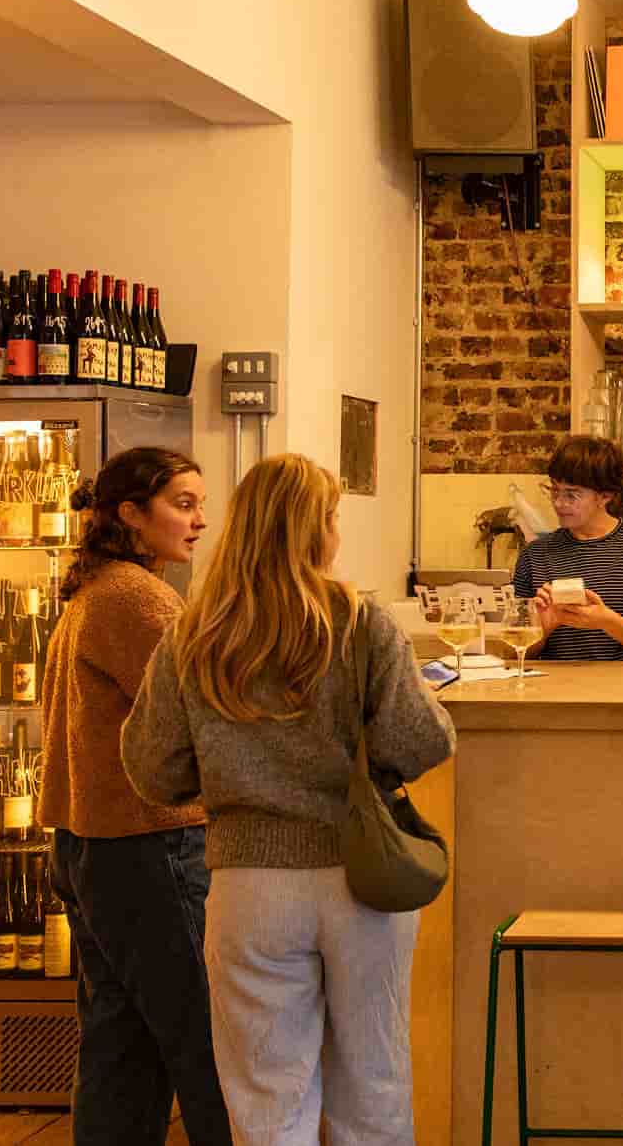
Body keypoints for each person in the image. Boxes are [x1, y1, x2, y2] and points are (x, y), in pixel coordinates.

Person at [121, 454, 456, 1146]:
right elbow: (421, 739)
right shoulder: (360, 622)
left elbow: (153, 767)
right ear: (314, 530)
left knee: (268, 1100)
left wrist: (225, 770)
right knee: (374, 1085)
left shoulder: (195, 632)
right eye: (330, 518)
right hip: (363, 876)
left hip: (249, 885)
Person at [37, 446, 229, 1146]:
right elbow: (205, 714)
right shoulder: (139, 598)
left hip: (89, 844)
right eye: (183, 503)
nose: (200, 519)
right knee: (205, 1039)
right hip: (151, 841)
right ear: (129, 513)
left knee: (122, 1043)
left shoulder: (95, 589)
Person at [512, 435, 623, 660]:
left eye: (572, 494)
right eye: (554, 490)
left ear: (605, 496)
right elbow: (513, 654)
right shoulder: (535, 554)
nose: (559, 503)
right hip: (555, 689)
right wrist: (544, 627)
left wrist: (605, 620)